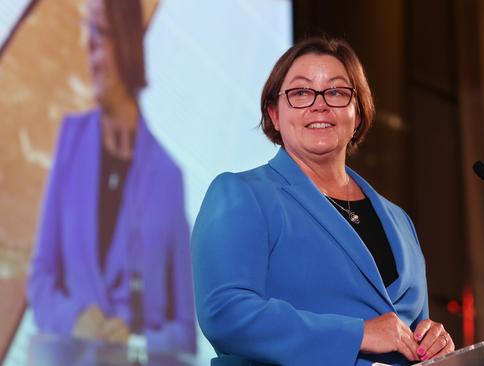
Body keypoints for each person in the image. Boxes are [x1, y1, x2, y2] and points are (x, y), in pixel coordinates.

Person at [192, 36, 454, 365]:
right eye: (301, 92)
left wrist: (431, 344)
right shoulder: (242, 194)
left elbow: (411, 332)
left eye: (336, 92)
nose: (320, 104)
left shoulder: (401, 221)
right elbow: (225, 313)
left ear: (357, 113)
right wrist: (358, 334)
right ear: (274, 114)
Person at [27, 0, 195, 354]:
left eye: (99, 32)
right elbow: (41, 278)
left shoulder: (169, 177)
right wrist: (75, 321)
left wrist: (134, 344)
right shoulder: (71, 139)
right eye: (88, 31)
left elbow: (184, 331)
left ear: (128, 44)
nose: (88, 45)